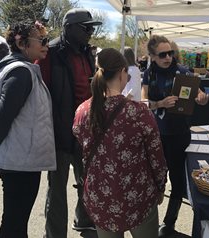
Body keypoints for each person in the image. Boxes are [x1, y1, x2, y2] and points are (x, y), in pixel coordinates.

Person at [72, 48, 168, 238]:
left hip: (100, 196)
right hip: (137, 195)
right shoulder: (138, 112)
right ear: (123, 73)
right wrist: (160, 186)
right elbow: (156, 156)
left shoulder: (82, 111)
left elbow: (81, 144)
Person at [0, 20, 56, 238]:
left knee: (15, 221)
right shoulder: (20, 72)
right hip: (18, 162)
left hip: (17, 158)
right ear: (22, 43)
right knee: (14, 224)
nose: (46, 44)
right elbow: (1, 118)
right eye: (41, 40)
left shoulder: (13, 68)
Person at [37, 8, 102, 238]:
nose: (91, 32)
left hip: (85, 132)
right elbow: (40, 97)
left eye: (92, 27)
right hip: (59, 134)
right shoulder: (51, 53)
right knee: (57, 190)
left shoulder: (86, 52)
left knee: (87, 181)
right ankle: (54, 234)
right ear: (70, 28)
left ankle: (83, 220)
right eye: (87, 28)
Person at [141, 35, 209, 238]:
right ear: (152, 56)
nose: (168, 57)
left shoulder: (183, 72)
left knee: (177, 180)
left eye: (170, 52)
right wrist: (160, 104)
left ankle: (169, 223)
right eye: (162, 54)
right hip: (154, 133)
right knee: (152, 179)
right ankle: (146, 222)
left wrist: (202, 98)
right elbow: (143, 102)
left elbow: (201, 97)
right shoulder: (148, 74)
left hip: (178, 134)